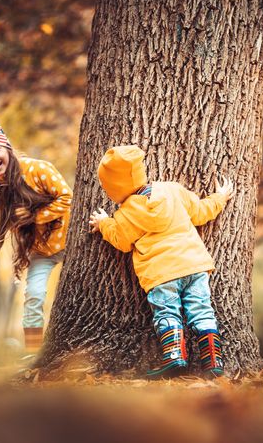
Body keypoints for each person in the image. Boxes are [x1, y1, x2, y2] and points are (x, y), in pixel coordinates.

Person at [88, 145, 233, 378]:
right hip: (194, 265)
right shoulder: (172, 190)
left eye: (107, 187)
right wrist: (220, 198)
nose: (106, 192)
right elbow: (201, 212)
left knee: (167, 311)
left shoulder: (126, 214)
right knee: (202, 310)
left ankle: (175, 356)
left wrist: (104, 223)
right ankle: (213, 360)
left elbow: (122, 241)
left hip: (161, 274)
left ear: (117, 187)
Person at [0, 117, 72, 354]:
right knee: (33, 297)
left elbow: (68, 199)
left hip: (72, 244)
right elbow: (13, 223)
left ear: (7, 147)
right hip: (42, 252)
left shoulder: (38, 169)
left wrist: (35, 216)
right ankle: (33, 354)